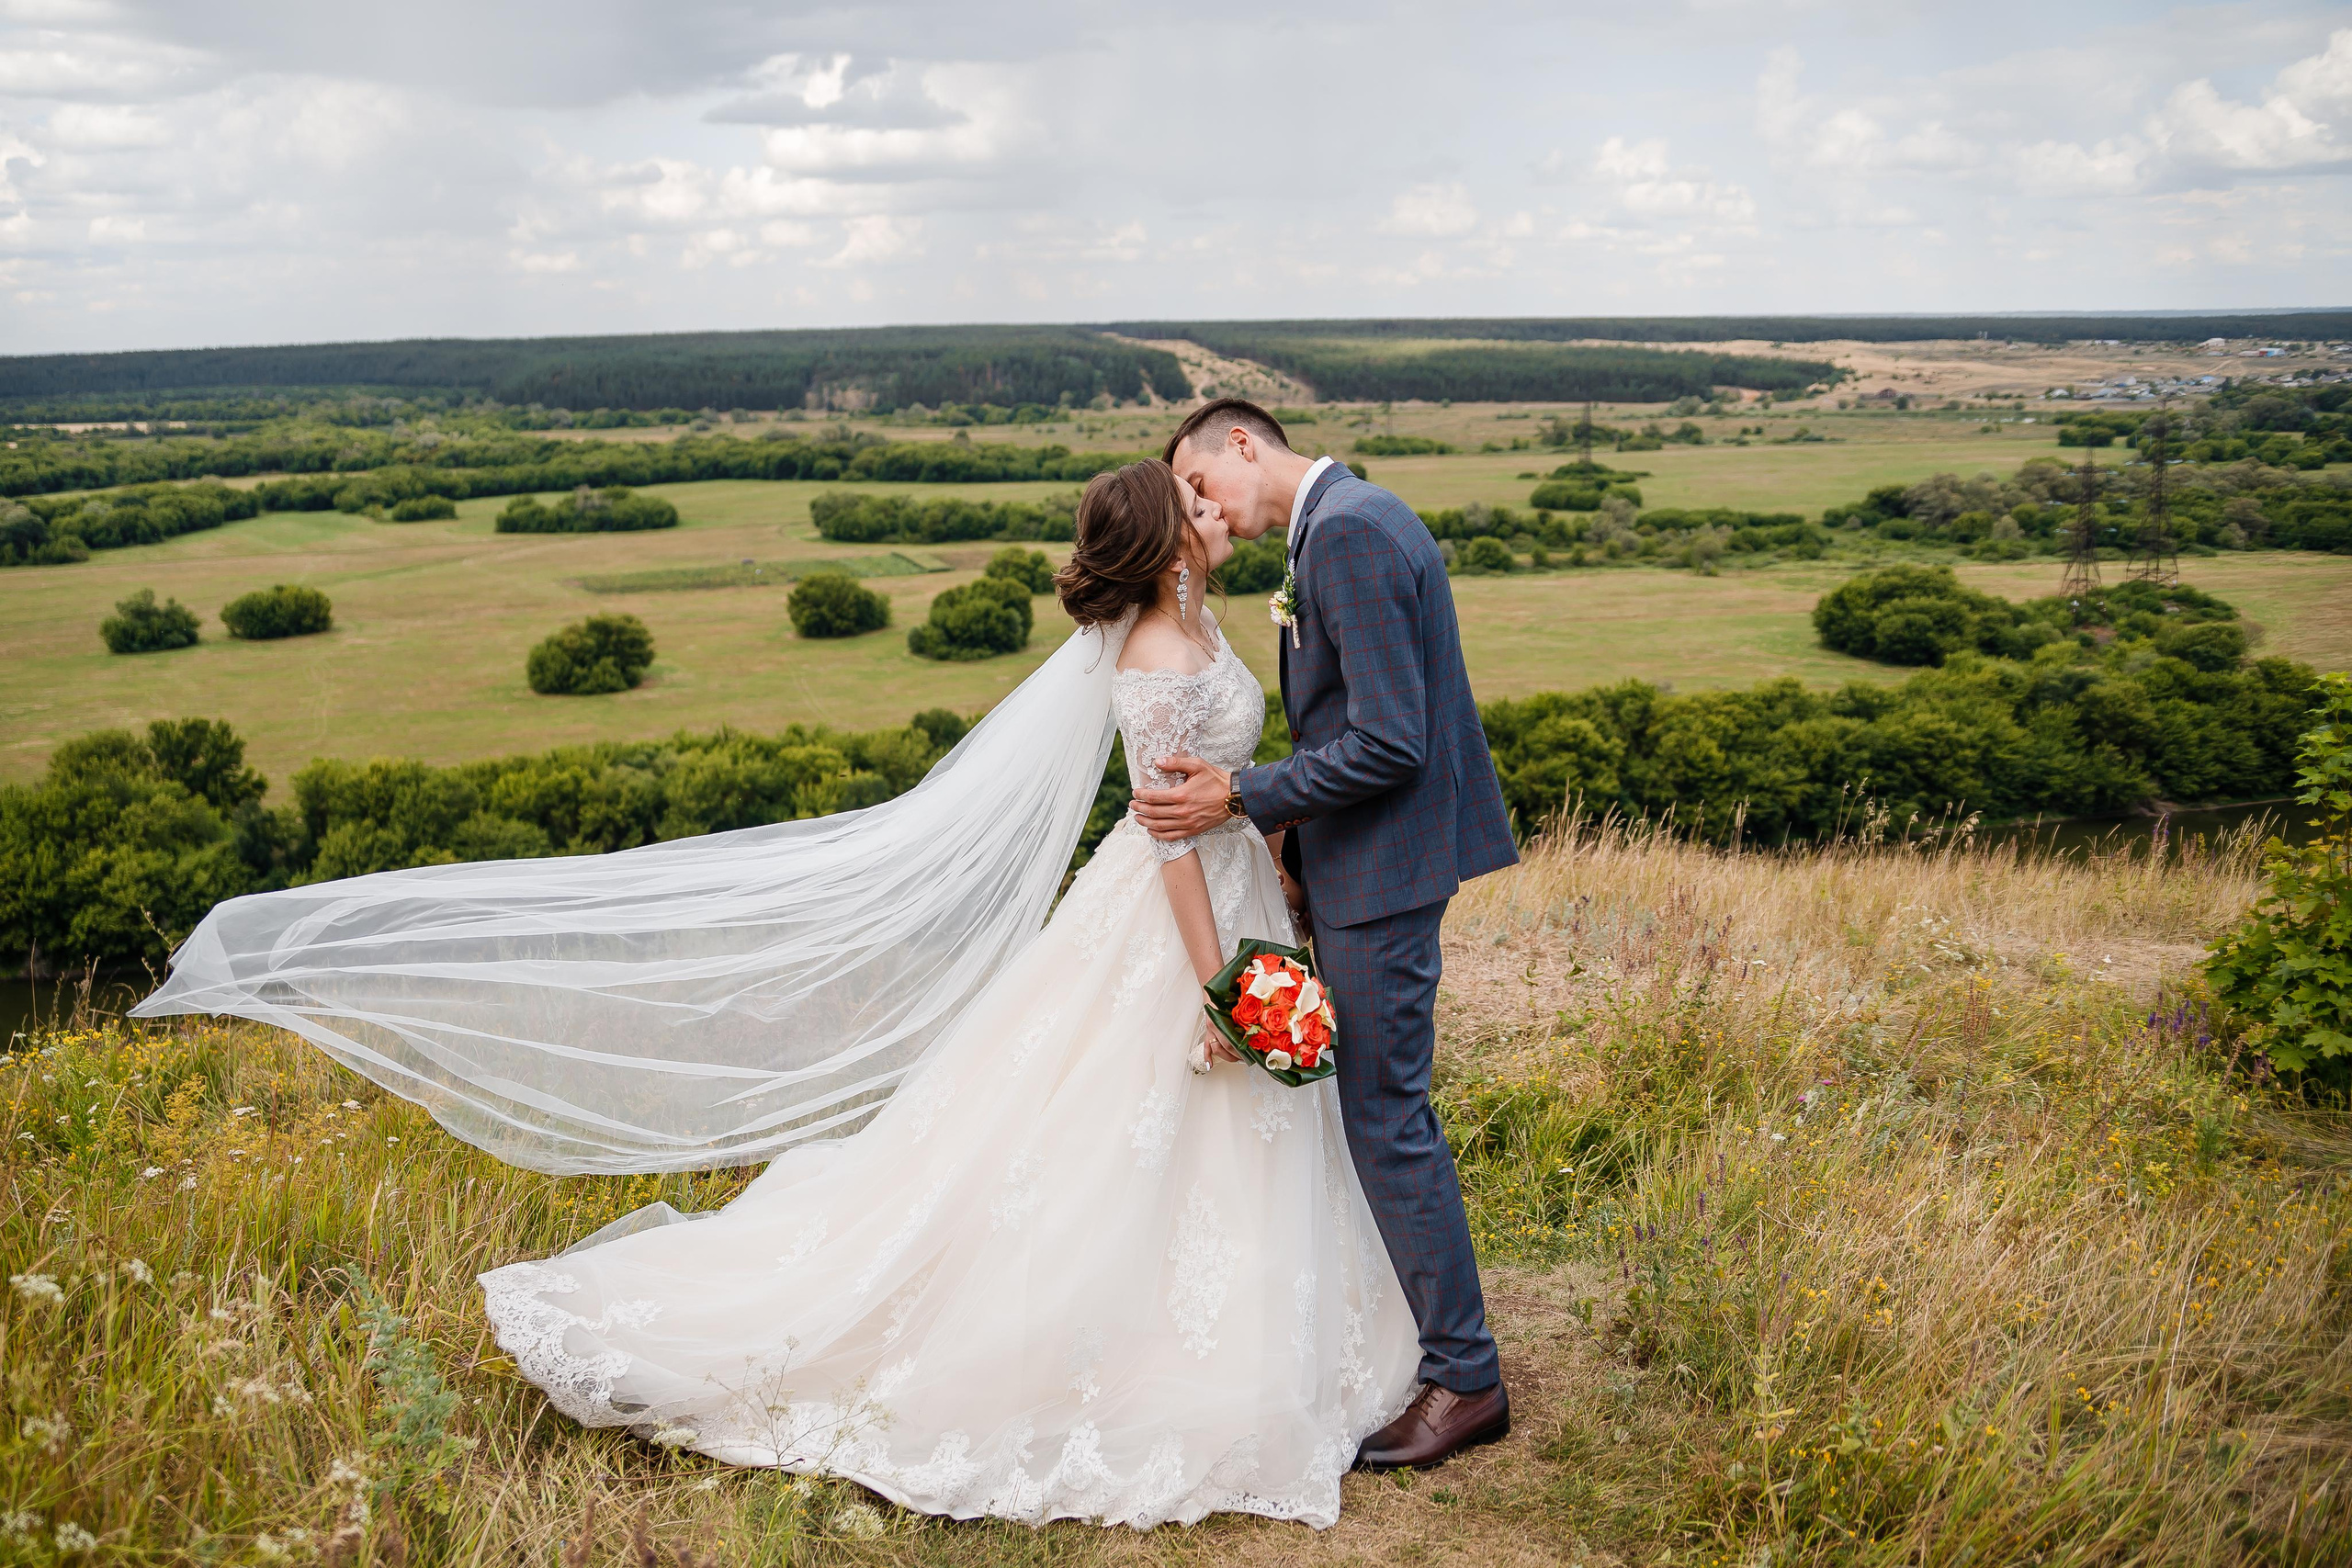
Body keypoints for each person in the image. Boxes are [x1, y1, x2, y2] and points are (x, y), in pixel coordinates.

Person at [134, 457, 1422, 1530]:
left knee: (1203, 1148)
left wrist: (1275, 893)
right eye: (1190, 500)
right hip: (1173, 918)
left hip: (1240, 886)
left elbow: (1224, 793)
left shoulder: (1199, 618)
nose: (1215, 506)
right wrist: (1218, 982)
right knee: (1105, 1136)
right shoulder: (1151, 651)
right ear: (1160, 544)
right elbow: (1160, 831)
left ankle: (1242, 1334)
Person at [1136, 398, 1520, 1470]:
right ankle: (1438, 1348)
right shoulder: (1347, 521)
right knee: (1381, 1113)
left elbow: (1390, 742)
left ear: (1243, 445)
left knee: (1387, 1119)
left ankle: (1465, 1378)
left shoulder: (1345, 533)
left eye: (1202, 484)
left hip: (1387, 873)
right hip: (1362, 867)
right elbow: (1355, 724)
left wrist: (1243, 797)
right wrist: (1297, 857)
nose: (1204, 509)